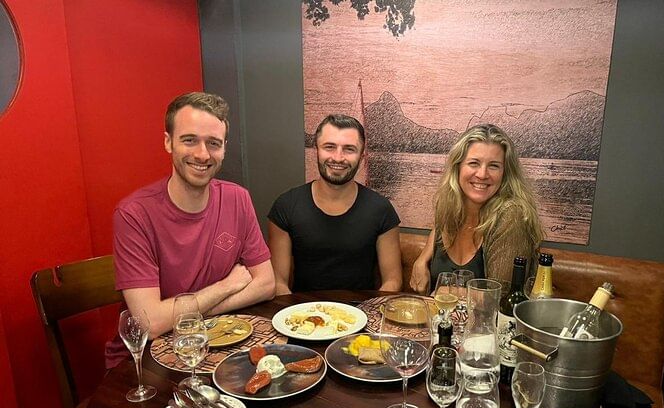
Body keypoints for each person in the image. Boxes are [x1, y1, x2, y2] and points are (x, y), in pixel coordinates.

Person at [112, 92, 275, 343]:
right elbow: (151, 323)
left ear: (224, 148)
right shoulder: (133, 215)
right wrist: (226, 286)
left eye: (214, 143)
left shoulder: (237, 198)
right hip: (148, 355)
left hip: (217, 340)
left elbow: (266, 284)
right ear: (168, 142)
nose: (202, 154)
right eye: (190, 140)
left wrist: (190, 315)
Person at [267, 114, 402, 294]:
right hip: (303, 309)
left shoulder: (381, 209)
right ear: (316, 150)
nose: (338, 158)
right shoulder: (286, 206)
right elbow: (278, 283)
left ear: (362, 156)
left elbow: (393, 282)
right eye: (329, 147)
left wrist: (372, 310)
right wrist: (298, 312)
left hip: (363, 309)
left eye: (349, 149)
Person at [410, 124, 542, 294]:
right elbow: (438, 228)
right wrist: (421, 259)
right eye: (474, 163)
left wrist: (447, 293)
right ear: (457, 167)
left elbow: (502, 296)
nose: (482, 174)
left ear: (505, 173)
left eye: (494, 166)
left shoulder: (512, 216)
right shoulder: (449, 206)